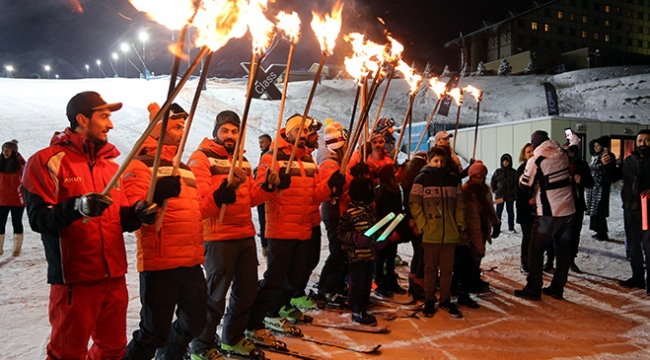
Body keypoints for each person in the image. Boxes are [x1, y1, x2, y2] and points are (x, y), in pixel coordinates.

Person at [22, 91, 157, 359]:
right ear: (82, 119)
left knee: (113, 350)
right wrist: (77, 206)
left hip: (113, 276)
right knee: (67, 353)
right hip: (75, 279)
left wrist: (138, 214)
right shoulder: (47, 160)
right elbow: (39, 219)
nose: (111, 124)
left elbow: (117, 220)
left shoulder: (110, 167)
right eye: (104, 116)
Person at [246, 114, 344, 339]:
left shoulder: (308, 160)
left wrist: (331, 186)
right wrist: (273, 184)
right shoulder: (272, 157)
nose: (307, 135)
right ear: (290, 132)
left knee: (296, 276)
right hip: (281, 228)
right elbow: (258, 193)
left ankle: (278, 307)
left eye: (307, 131)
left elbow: (314, 194)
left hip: (303, 227)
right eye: (301, 130)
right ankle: (262, 315)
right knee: (275, 278)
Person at [188, 111, 276, 359]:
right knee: (215, 297)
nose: (229, 135)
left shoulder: (242, 161)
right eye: (225, 130)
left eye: (234, 131)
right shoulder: (201, 158)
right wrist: (225, 188)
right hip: (217, 238)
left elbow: (249, 199)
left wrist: (267, 188)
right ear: (216, 131)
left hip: (244, 234)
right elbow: (200, 203)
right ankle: (201, 345)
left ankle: (232, 338)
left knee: (247, 292)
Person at [123, 103, 207, 360]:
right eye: (177, 127)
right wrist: (154, 198)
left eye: (183, 127)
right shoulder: (139, 164)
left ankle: (170, 356)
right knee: (153, 332)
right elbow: (135, 208)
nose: (182, 132)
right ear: (159, 128)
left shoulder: (183, 166)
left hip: (191, 260)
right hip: (160, 262)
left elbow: (196, 208)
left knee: (196, 321)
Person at [514, 130, 576, 301]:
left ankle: (533, 288)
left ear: (534, 145)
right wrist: (569, 134)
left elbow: (525, 187)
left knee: (536, 250)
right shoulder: (562, 152)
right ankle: (557, 288)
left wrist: (520, 179)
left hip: (548, 213)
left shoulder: (536, 160)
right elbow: (575, 144)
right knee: (563, 251)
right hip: (569, 211)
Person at [409, 146, 465, 318]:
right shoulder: (422, 179)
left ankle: (445, 299)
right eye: (435, 161)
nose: (439, 164)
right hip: (431, 233)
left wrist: (459, 225)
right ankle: (429, 299)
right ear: (429, 161)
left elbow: (460, 205)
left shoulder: (453, 180)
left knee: (447, 270)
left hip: (449, 233)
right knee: (430, 269)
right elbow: (415, 204)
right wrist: (423, 225)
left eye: (442, 161)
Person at [602, 129, 650, 294]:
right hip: (629, 209)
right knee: (633, 246)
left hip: (647, 211)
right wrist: (607, 165)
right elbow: (613, 178)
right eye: (639, 141)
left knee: (649, 247)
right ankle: (637, 278)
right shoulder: (629, 160)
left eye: (646, 140)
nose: (642, 144)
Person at [291, 116, 325, 310]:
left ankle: (298, 291)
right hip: (297, 220)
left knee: (311, 259)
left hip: (313, 217)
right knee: (297, 264)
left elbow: (318, 188)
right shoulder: (288, 156)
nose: (315, 136)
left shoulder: (309, 157)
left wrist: (331, 185)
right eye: (311, 133)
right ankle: (292, 294)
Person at [316, 119, 349, 308]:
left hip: (338, 210)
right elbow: (334, 187)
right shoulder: (329, 161)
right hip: (333, 210)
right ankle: (326, 288)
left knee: (341, 251)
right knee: (337, 251)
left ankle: (335, 285)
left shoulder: (336, 158)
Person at [339, 176, 380, 325]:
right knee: (357, 283)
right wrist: (355, 238)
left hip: (370, 254)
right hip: (356, 255)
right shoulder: (350, 211)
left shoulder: (370, 209)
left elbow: (375, 228)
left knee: (367, 281)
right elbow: (341, 233)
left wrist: (379, 240)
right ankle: (357, 308)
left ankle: (364, 303)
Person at [457, 160, 498, 308]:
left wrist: (494, 221)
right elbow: (472, 219)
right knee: (471, 258)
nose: (477, 180)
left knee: (476, 258)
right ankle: (467, 286)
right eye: (474, 177)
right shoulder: (468, 191)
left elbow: (489, 207)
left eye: (480, 177)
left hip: (482, 227)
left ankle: (474, 279)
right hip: (470, 232)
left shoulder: (485, 190)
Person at [373, 164, 407, 298]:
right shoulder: (380, 192)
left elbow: (398, 211)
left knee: (391, 257)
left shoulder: (395, 190)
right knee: (381, 258)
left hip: (392, 227)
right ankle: (381, 283)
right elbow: (379, 214)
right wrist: (384, 231)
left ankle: (391, 282)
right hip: (384, 229)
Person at [399, 151, 427, 300]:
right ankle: (418, 286)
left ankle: (414, 285)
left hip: (413, 222)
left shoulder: (406, 181)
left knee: (418, 253)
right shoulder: (417, 184)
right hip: (419, 222)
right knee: (421, 254)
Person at [0, 139, 25, 256]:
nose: (5, 152)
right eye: (4, 150)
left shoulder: (20, 166)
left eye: (8, 150)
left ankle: (16, 250)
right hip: (1, 200)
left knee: (17, 223)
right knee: (0, 223)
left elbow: (27, 177)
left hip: (17, 200)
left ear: (14, 152)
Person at [586, 136, 613, 241]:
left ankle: (602, 232)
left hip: (601, 187)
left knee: (599, 210)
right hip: (593, 187)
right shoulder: (595, 157)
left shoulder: (606, 156)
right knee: (595, 210)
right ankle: (597, 230)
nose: (596, 147)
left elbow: (607, 170)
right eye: (595, 146)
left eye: (598, 145)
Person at [516, 143, 535, 273]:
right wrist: (529, 200)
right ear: (524, 155)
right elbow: (518, 191)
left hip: (539, 208)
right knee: (527, 236)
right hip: (525, 208)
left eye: (533, 151)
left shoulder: (540, 167)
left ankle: (535, 261)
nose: (531, 153)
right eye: (528, 152)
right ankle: (525, 261)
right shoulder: (521, 169)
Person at [490, 153, 517, 237]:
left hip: (510, 196)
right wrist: (495, 190)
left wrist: (514, 192)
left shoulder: (514, 172)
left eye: (507, 161)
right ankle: (497, 227)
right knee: (498, 212)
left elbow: (516, 184)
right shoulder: (498, 172)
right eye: (504, 161)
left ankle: (511, 226)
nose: (505, 163)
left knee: (510, 211)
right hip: (499, 196)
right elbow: (493, 181)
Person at [256, 134, 272, 256]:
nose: (260, 145)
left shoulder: (269, 155)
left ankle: (266, 245)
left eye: (262, 142)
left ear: (268, 142)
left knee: (264, 220)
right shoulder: (264, 155)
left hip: (266, 194)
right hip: (262, 193)